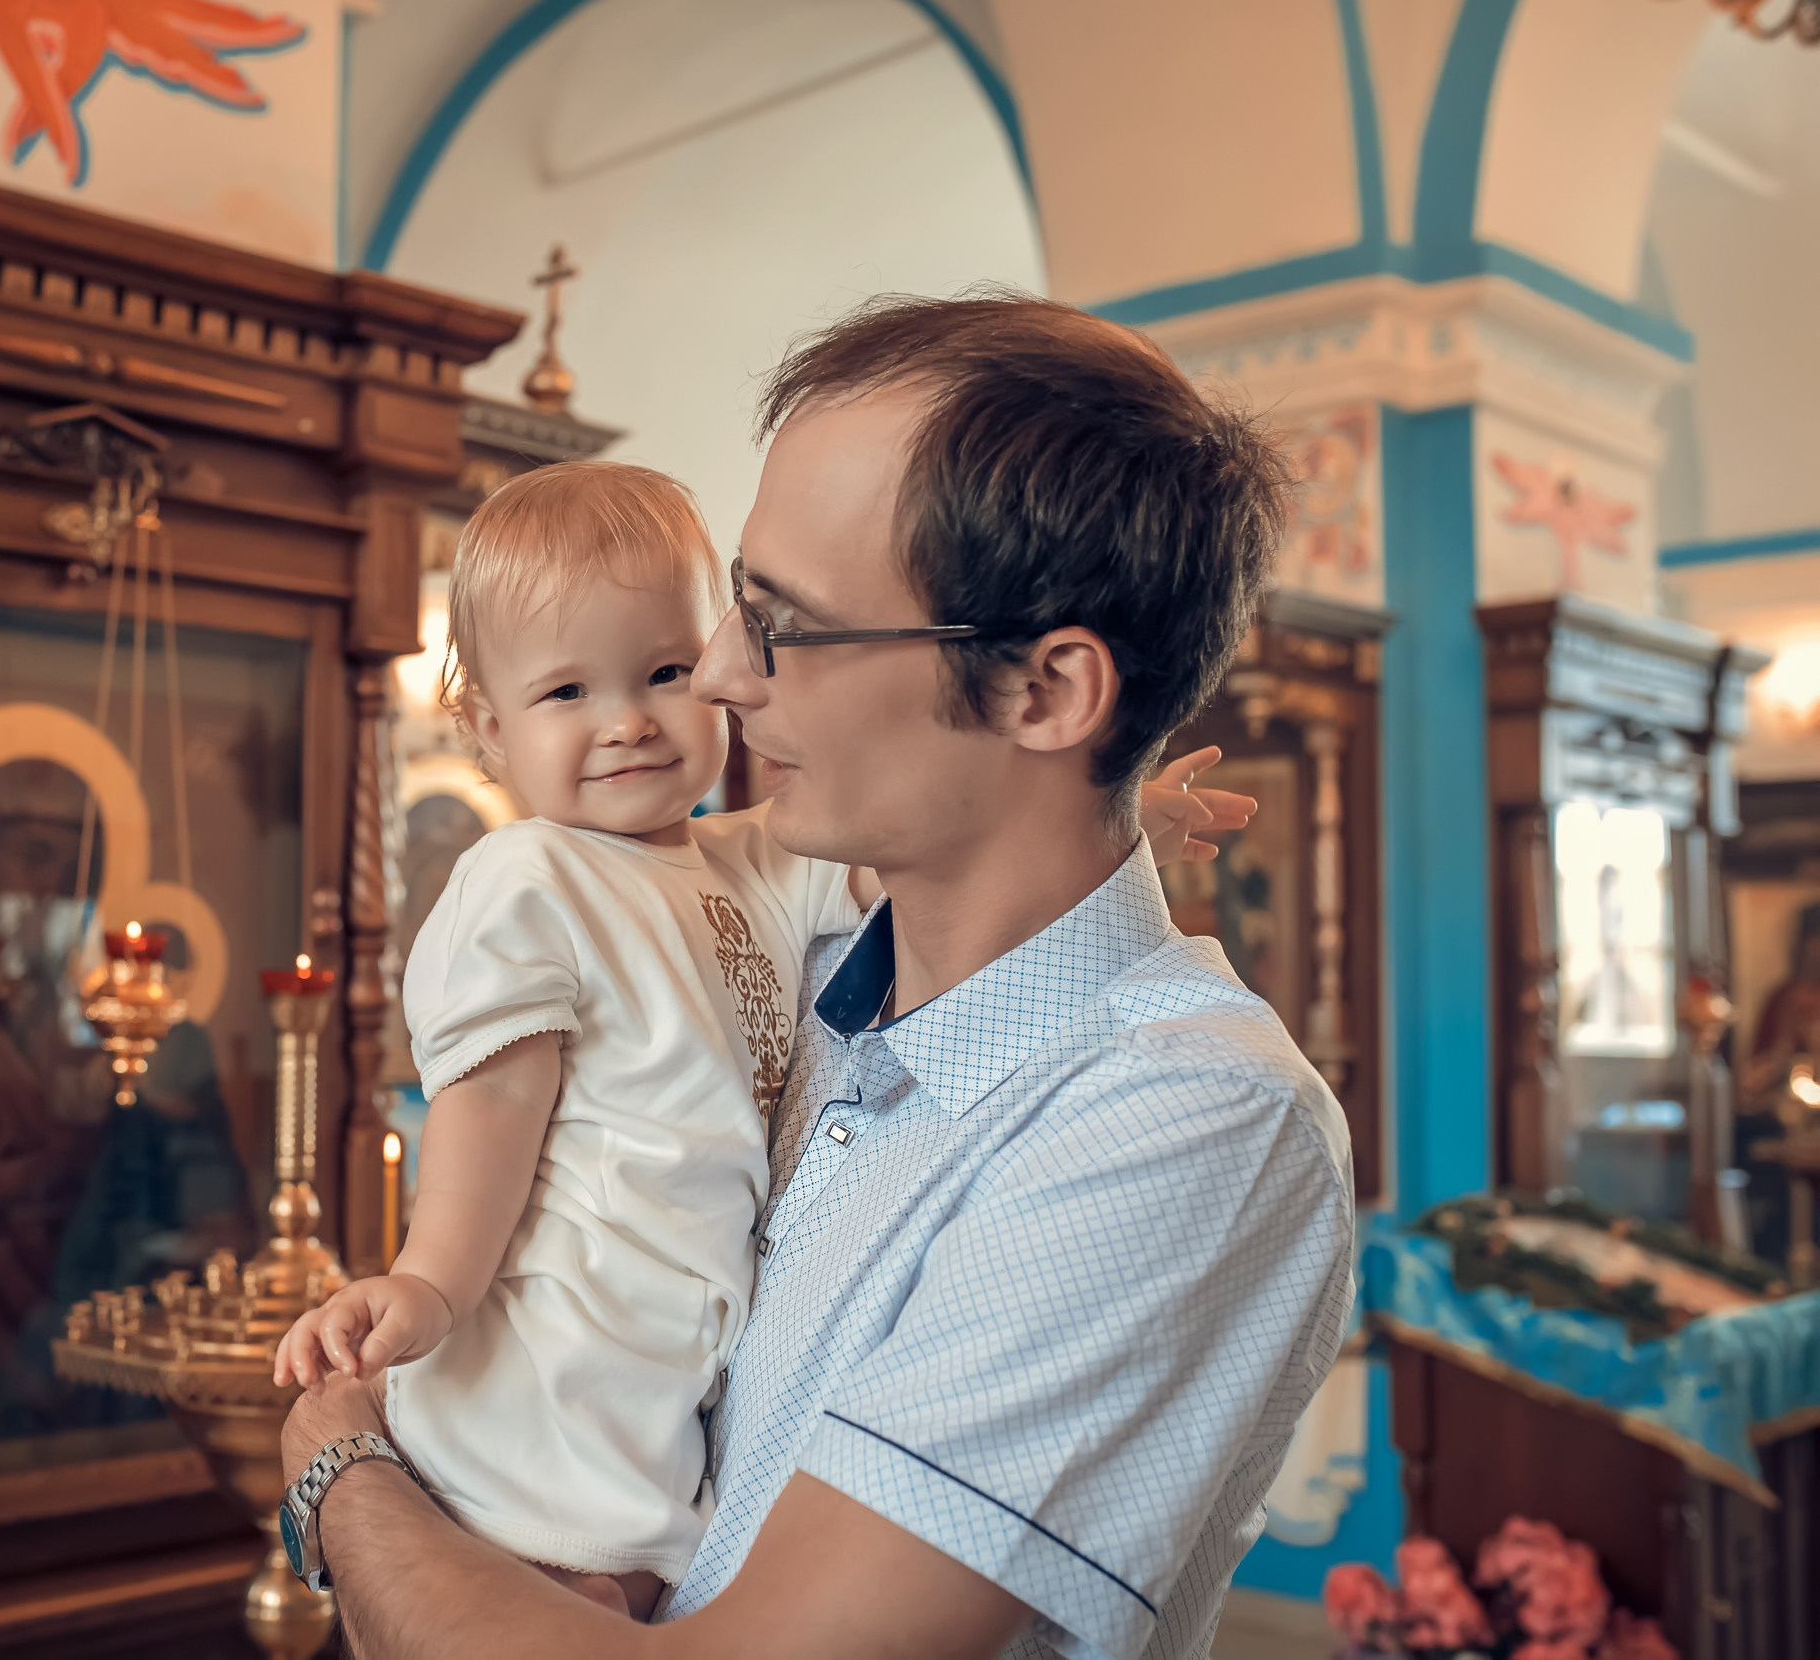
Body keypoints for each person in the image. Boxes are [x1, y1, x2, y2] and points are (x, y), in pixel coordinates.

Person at [279, 293, 1356, 1660]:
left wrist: (341, 1472)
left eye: (785, 623)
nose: (720, 678)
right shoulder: (808, 971)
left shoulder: (1181, 1121)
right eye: (733, 606)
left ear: (1046, 694)